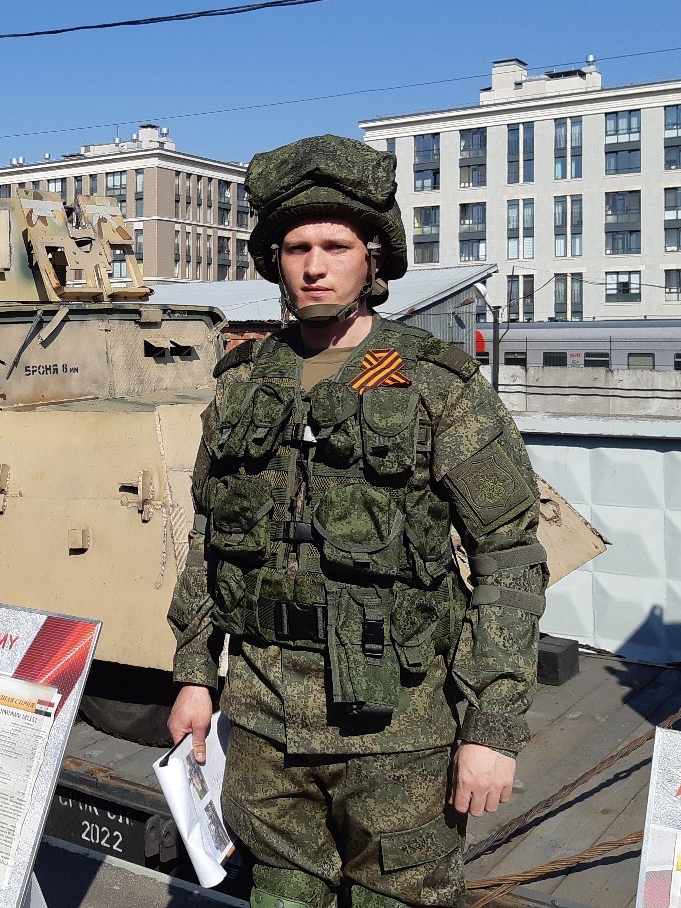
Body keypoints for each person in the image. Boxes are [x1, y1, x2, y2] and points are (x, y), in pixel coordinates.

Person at [167, 134, 546, 908]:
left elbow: (508, 557)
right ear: (274, 260)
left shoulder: (436, 384)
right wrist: (195, 674)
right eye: (296, 247)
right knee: (277, 895)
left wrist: (491, 728)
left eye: (335, 245)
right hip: (267, 724)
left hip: (399, 731)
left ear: (374, 257)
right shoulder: (245, 380)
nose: (313, 265)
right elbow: (210, 539)